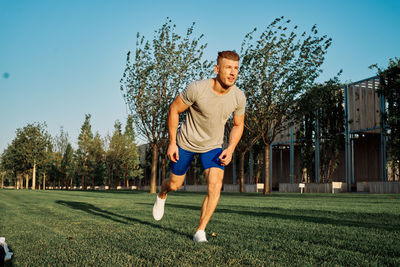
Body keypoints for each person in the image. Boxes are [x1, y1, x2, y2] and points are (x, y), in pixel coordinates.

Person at [152, 50, 246, 242]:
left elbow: (238, 124)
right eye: (228, 67)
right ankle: (162, 194)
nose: (232, 72)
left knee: (215, 185)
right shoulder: (197, 89)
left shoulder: (238, 97)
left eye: (236, 68)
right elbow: (174, 109)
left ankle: (200, 231)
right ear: (217, 69)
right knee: (175, 185)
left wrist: (230, 148)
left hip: (213, 146)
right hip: (186, 142)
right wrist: (172, 143)